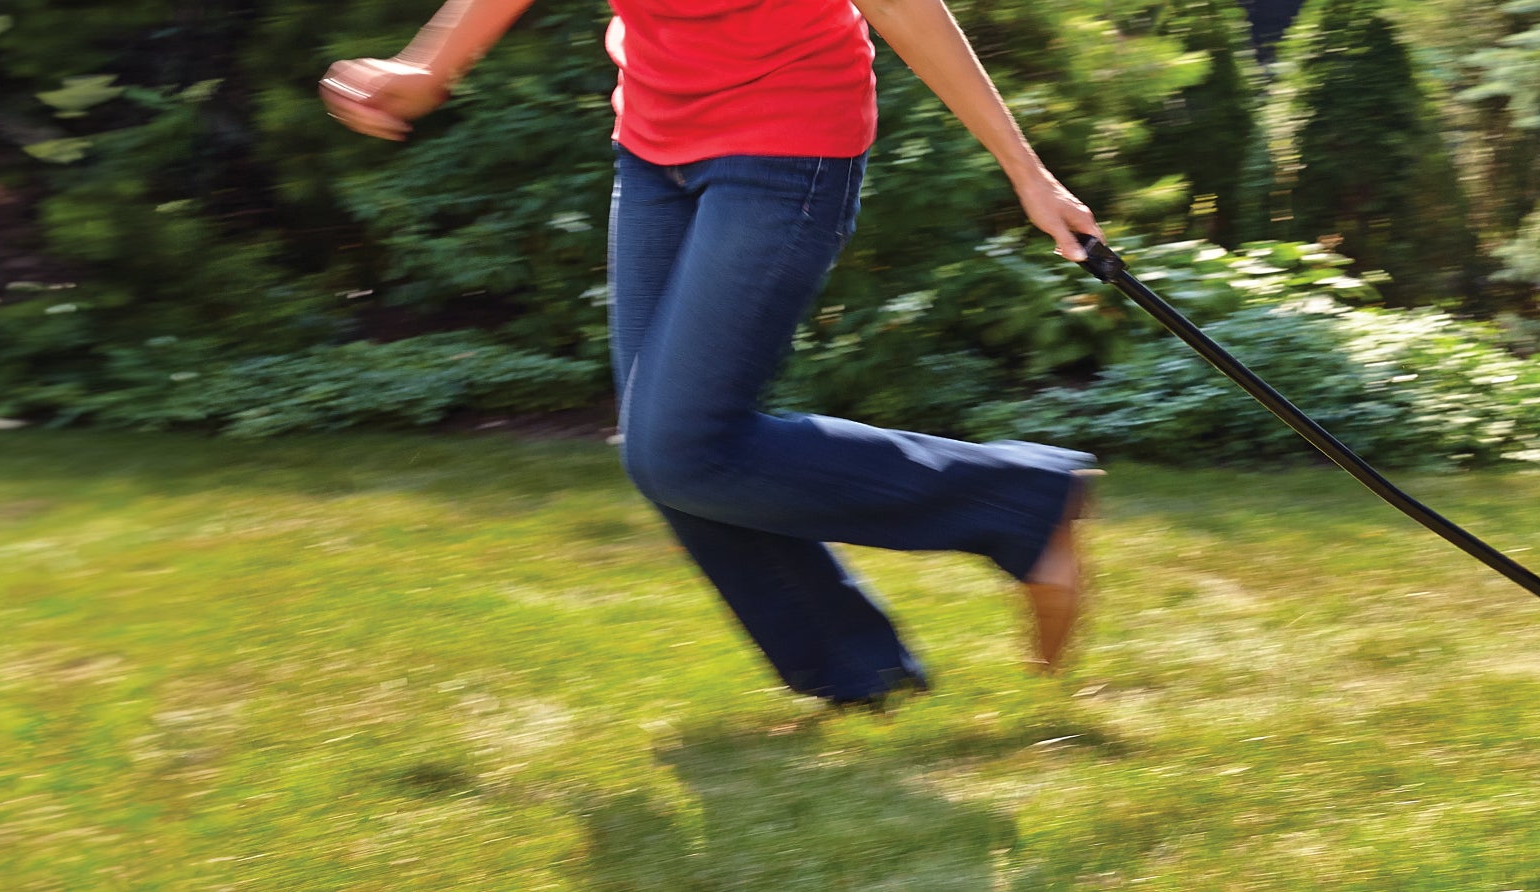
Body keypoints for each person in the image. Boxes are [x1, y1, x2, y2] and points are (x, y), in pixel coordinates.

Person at [319, 0, 1104, 706]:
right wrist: (429, 66)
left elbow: (900, 6)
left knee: (682, 446)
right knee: (666, 450)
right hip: (654, 142)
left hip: (789, 143)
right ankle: (859, 670)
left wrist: (1027, 174)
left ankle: (1019, 505)